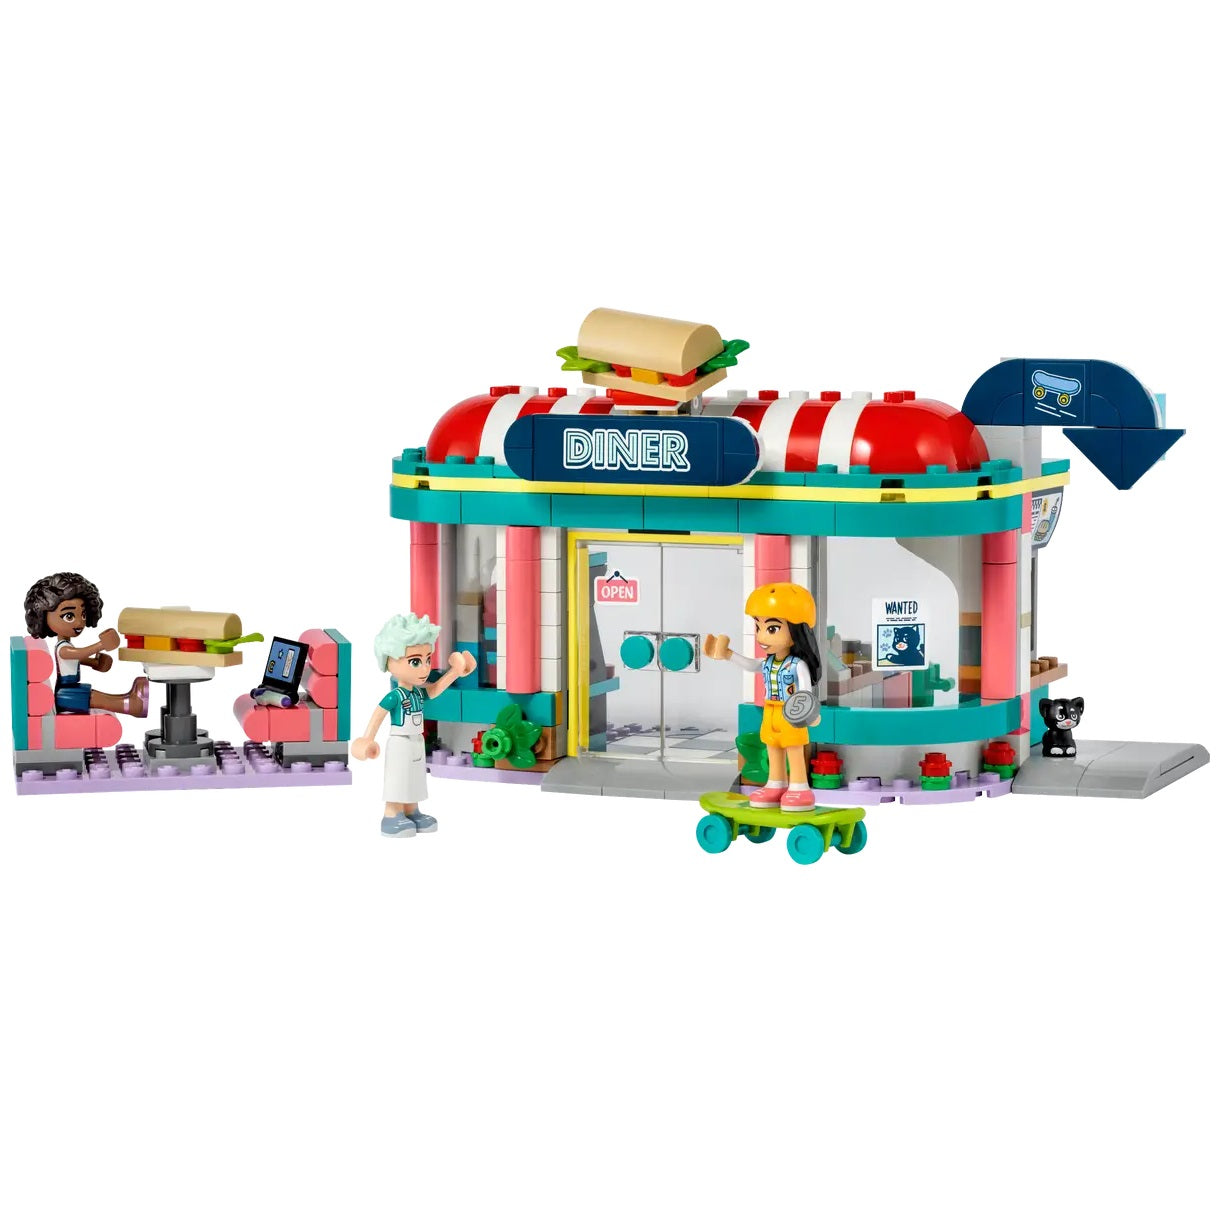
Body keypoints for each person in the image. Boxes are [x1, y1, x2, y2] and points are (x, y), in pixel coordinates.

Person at [351, 613, 476, 838]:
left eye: (427, 660)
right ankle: (392, 814)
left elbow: (435, 689)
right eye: (415, 662)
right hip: (400, 742)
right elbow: (378, 714)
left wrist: (455, 672)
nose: (425, 669)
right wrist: (367, 739)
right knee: (398, 778)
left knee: (415, 778)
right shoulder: (396, 696)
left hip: (417, 741)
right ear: (390, 660)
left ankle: (411, 810)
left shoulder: (417, 693)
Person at [704, 582, 822, 809]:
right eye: (758, 627)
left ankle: (800, 788)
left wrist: (809, 714)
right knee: (772, 747)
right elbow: (751, 665)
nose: (761, 636)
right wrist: (728, 654)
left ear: (796, 630)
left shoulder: (797, 665)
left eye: (772, 629)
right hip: (770, 712)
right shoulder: (768, 663)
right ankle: (775, 784)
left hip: (791, 714)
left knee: (794, 750)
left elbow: (806, 692)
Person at [24, 572, 148, 717]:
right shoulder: (63, 649)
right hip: (66, 694)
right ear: (44, 618)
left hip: (68, 691)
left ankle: (129, 700)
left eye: (83, 614)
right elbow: (79, 653)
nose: (79, 622)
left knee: (95, 696)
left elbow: (77, 659)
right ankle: (131, 705)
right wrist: (101, 645)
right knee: (96, 698)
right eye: (69, 616)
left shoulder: (65, 645)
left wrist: (95, 663)